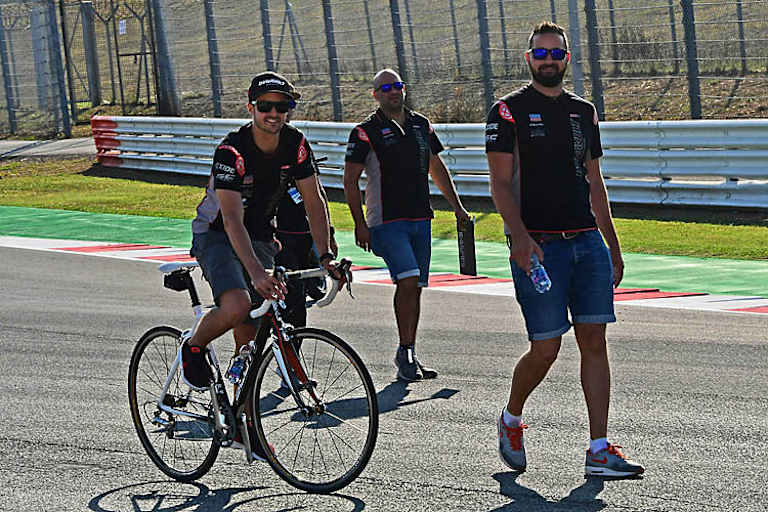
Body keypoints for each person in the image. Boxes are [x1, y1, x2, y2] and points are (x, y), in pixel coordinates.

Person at [485, 22, 644, 478]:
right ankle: (511, 416)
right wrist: (518, 238)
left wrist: (611, 245)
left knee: (594, 339)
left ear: (568, 58)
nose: (548, 60)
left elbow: (595, 182)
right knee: (547, 347)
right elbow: (499, 184)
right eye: (541, 53)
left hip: (586, 241)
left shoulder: (583, 111)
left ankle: (598, 449)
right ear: (529, 57)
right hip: (539, 246)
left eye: (556, 53)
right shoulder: (508, 111)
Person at [184, 71, 339, 458]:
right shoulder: (231, 151)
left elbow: (315, 201)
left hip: (259, 235)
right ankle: (194, 346)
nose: (274, 113)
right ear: (251, 107)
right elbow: (231, 219)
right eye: (265, 106)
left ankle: (242, 417)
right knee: (237, 304)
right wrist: (256, 273)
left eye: (282, 106)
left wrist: (325, 256)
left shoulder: (296, 145)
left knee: (252, 332)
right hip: (218, 233)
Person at [344, 68, 470, 381]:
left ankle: (408, 352)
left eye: (397, 86)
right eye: (385, 88)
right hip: (386, 220)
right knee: (409, 280)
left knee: (415, 288)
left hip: (420, 218)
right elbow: (350, 180)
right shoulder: (365, 131)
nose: (393, 92)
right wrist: (359, 224)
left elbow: (437, 168)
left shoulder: (421, 125)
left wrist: (457, 207)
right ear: (375, 95)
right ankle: (406, 352)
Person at [274, 153, 338, 328]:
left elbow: (319, 194)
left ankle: (291, 348)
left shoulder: (298, 147)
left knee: (297, 301)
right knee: (286, 298)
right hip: (276, 238)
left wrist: (329, 234)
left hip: (303, 235)